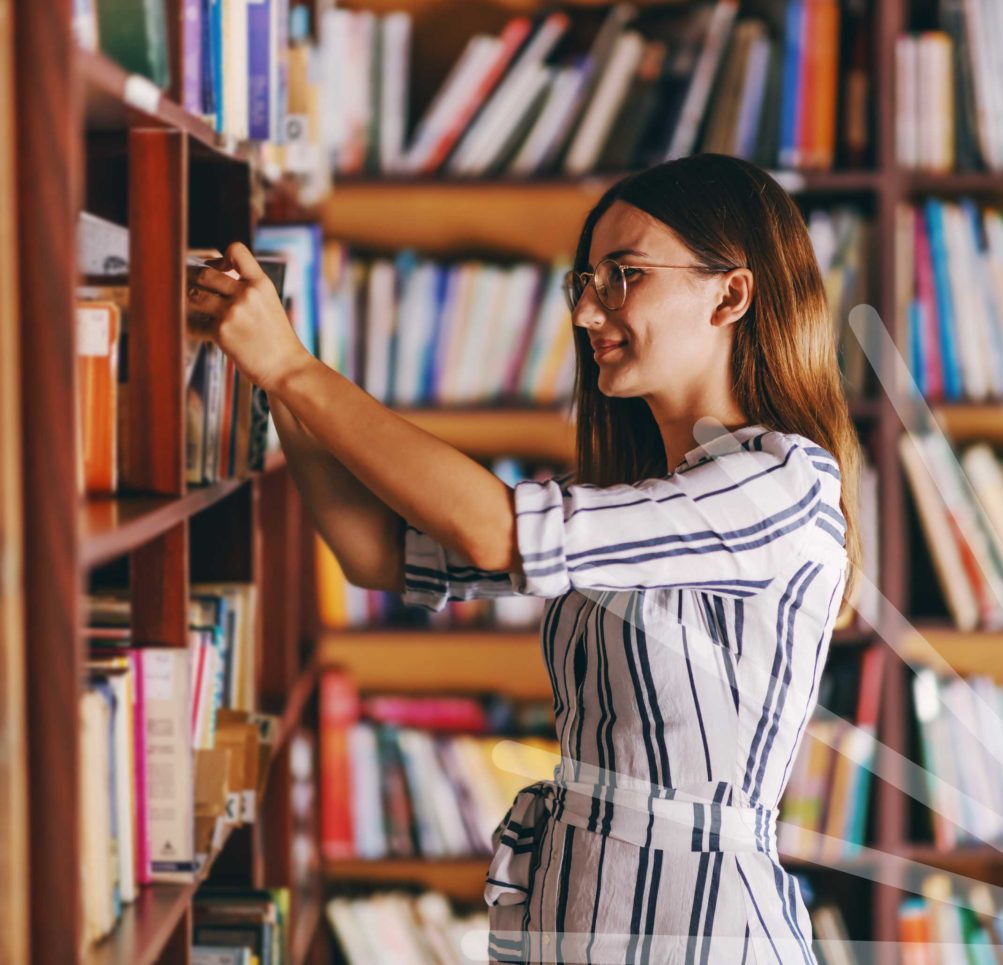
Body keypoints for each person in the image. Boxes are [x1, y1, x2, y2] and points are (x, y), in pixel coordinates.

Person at [187, 152, 862, 964]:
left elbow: (497, 533)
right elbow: (377, 554)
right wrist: (276, 381)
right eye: (585, 281)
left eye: (624, 274)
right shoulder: (640, 501)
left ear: (731, 293)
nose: (587, 312)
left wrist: (294, 365)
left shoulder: (780, 481)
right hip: (577, 909)